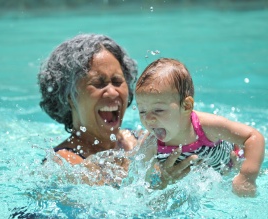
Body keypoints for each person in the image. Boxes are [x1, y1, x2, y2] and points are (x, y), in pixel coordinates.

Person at [38, 34, 197, 185]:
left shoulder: (143, 140)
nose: (113, 92)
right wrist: (160, 186)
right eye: (98, 84)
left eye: (117, 81)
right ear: (70, 97)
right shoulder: (63, 165)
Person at [135, 58, 265, 197]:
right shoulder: (151, 144)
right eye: (142, 111)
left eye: (158, 110)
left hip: (231, 166)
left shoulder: (207, 126)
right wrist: (162, 181)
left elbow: (253, 137)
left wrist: (246, 177)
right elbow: (139, 184)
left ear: (186, 106)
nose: (148, 119)